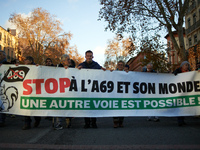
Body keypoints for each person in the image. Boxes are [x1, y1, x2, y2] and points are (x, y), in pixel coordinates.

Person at [78, 50, 105, 128]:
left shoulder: (96, 65)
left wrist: (108, 71)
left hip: (94, 89)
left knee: (93, 106)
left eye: (90, 56)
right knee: (86, 106)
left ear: (92, 57)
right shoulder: (82, 65)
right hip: (85, 89)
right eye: (88, 56)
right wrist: (77, 69)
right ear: (85, 56)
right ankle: (87, 123)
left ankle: (93, 123)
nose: (89, 57)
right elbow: (75, 72)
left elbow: (103, 70)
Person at [53, 54, 72, 130]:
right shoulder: (56, 67)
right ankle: (58, 123)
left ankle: (68, 119)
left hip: (68, 90)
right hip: (59, 90)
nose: (69, 61)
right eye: (68, 59)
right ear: (63, 61)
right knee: (58, 106)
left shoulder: (71, 68)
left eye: (69, 59)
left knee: (68, 105)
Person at [22, 56, 41, 130]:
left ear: (30, 61)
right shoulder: (23, 67)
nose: (24, 61)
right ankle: (27, 123)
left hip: (35, 89)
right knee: (25, 106)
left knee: (34, 106)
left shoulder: (36, 67)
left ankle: (37, 118)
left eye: (25, 60)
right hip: (26, 90)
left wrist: (39, 67)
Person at [173, 61, 191, 126]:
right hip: (179, 91)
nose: (187, 66)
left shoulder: (190, 72)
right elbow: (172, 77)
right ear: (182, 66)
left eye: (188, 65)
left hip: (187, 92)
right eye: (186, 65)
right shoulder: (177, 71)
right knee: (180, 106)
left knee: (184, 106)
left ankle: (182, 120)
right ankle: (180, 120)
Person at [113, 60, 126, 128]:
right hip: (115, 92)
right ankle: (115, 122)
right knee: (115, 106)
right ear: (117, 65)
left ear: (123, 66)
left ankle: (121, 122)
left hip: (123, 93)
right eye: (119, 65)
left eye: (121, 65)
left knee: (122, 107)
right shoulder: (114, 73)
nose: (120, 66)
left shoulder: (126, 73)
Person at [0, 50, 10, 127]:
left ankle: (2, 120)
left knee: (3, 102)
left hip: (5, 86)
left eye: (1, 54)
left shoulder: (8, 64)